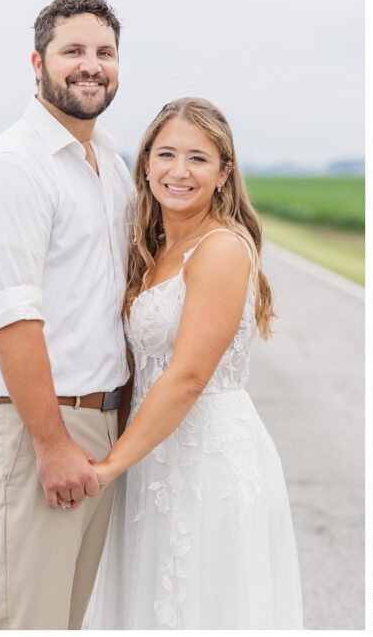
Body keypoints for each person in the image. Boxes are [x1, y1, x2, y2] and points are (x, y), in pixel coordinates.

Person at [84, 98, 304, 629]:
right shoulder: (153, 250)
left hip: (207, 461)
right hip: (153, 453)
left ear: (224, 173)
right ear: (146, 165)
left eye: (198, 158)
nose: (179, 171)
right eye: (166, 154)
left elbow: (187, 378)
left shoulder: (221, 249)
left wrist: (109, 465)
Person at [0, 0, 131, 628]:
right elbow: (14, 319)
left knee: (66, 623)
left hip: (97, 427)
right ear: (38, 64)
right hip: (36, 431)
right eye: (73, 51)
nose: (92, 65)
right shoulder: (13, 167)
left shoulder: (108, 163)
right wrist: (52, 445)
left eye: (105, 52)